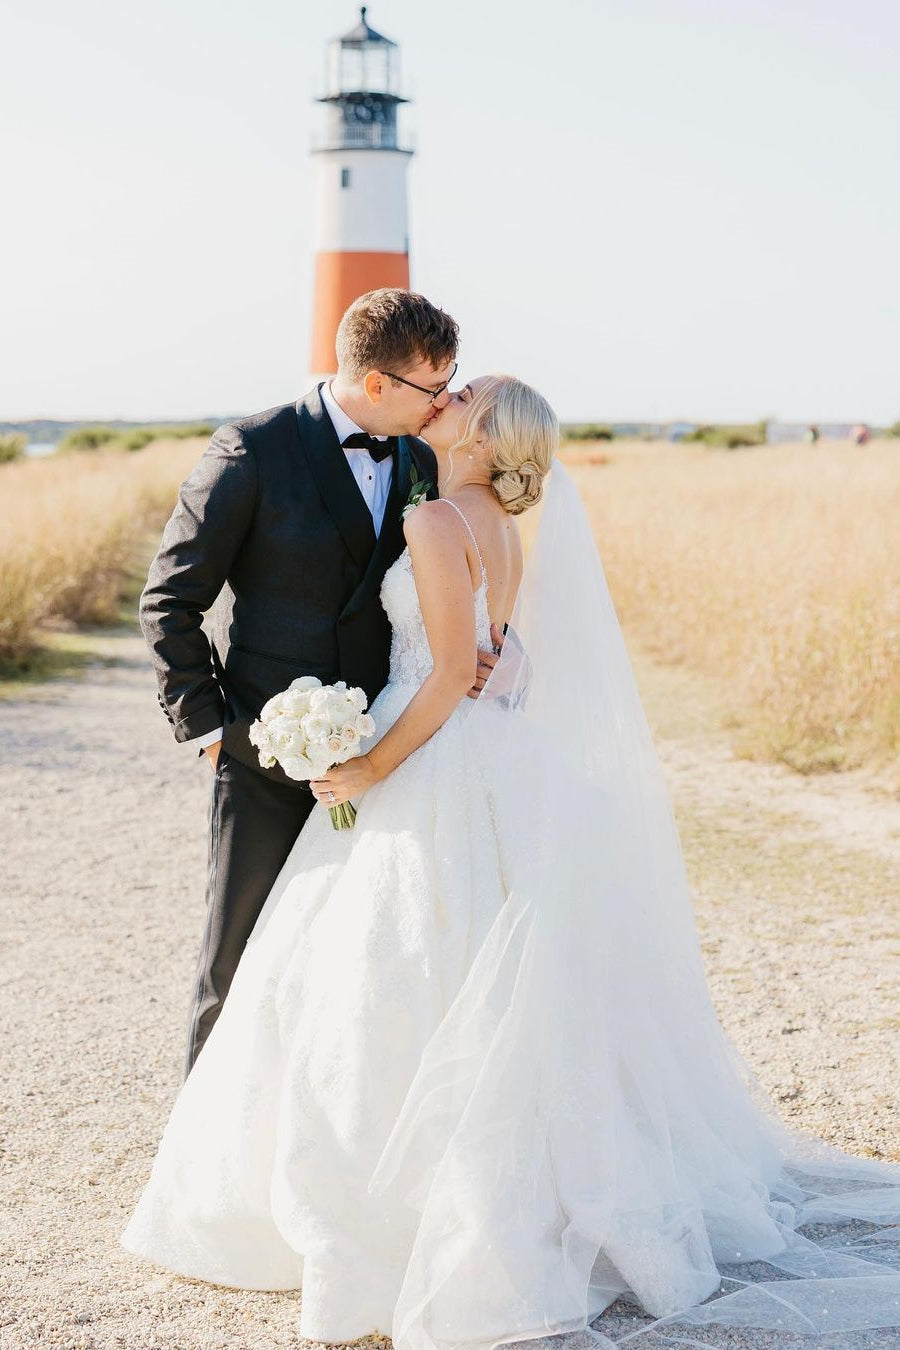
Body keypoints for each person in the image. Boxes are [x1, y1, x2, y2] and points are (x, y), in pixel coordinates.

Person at [123, 372, 900, 1347]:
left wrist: (367, 763)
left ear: (485, 435)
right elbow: (491, 650)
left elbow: (450, 670)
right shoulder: (492, 518)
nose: (445, 396)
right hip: (487, 757)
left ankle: (401, 1212)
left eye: (463, 394)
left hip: (426, 752)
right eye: (441, 383)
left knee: (393, 976)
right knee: (474, 977)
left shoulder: (442, 517)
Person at [139, 289, 509, 1078]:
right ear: (377, 383)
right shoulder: (251, 449)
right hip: (268, 751)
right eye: (431, 386)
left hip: (393, 753)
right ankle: (205, 1157)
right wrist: (212, 734)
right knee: (236, 959)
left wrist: (476, 654)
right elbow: (169, 601)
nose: (445, 401)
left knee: (362, 962)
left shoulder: (420, 460)